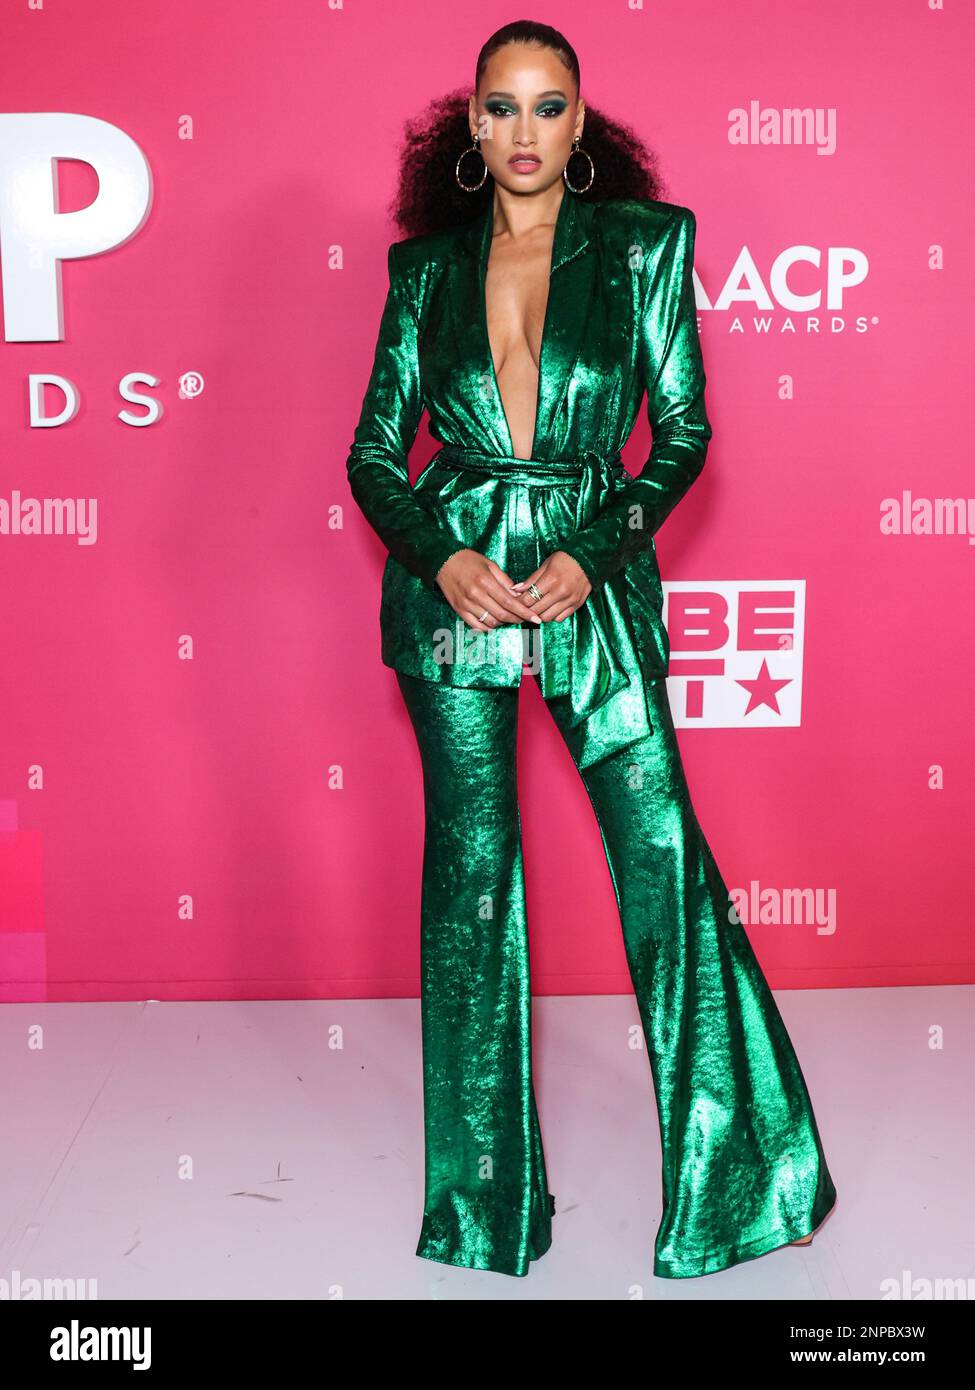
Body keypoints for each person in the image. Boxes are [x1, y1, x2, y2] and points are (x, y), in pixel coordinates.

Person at [345, 19, 837, 1279]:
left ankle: (744, 1184)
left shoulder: (646, 246)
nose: (522, 131)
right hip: (452, 597)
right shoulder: (423, 273)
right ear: (470, 125)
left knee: (662, 861)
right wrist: (436, 554)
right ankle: (484, 1209)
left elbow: (681, 434)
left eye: (546, 106)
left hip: (589, 582)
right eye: (499, 107)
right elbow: (369, 453)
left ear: (581, 121)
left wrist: (596, 548)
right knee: (471, 890)